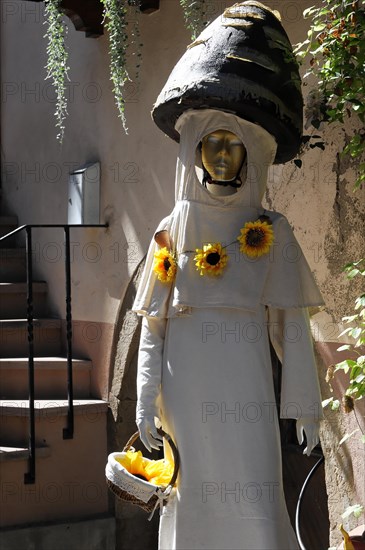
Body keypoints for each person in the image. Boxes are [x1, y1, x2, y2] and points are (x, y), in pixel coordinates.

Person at [132, 108, 324, 550]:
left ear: (249, 154)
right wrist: (144, 401)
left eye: (233, 143)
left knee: (253, 482)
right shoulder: (170, 231)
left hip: (246, 391)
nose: (221, 154)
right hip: (184, 395)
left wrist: (305, 407)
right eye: (212, 142)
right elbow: (153, 327)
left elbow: (292, 325)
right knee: (192, 494)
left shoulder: (273, 232)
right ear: (196, 150)